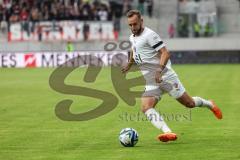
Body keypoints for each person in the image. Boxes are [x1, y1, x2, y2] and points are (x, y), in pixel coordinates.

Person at [121, 10, 223, 142]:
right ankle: (168, 133)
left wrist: (158, 70)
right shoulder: (132, 37)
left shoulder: (150, 35)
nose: (133, 28)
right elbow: (135, 51)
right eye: (130, 25)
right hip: (151, 81)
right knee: (146, 107)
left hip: (166, 76)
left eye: (135, 24)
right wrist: (129, 64)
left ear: (141, 21)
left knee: (189, 103)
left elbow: (165, 53)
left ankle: (209, 104)